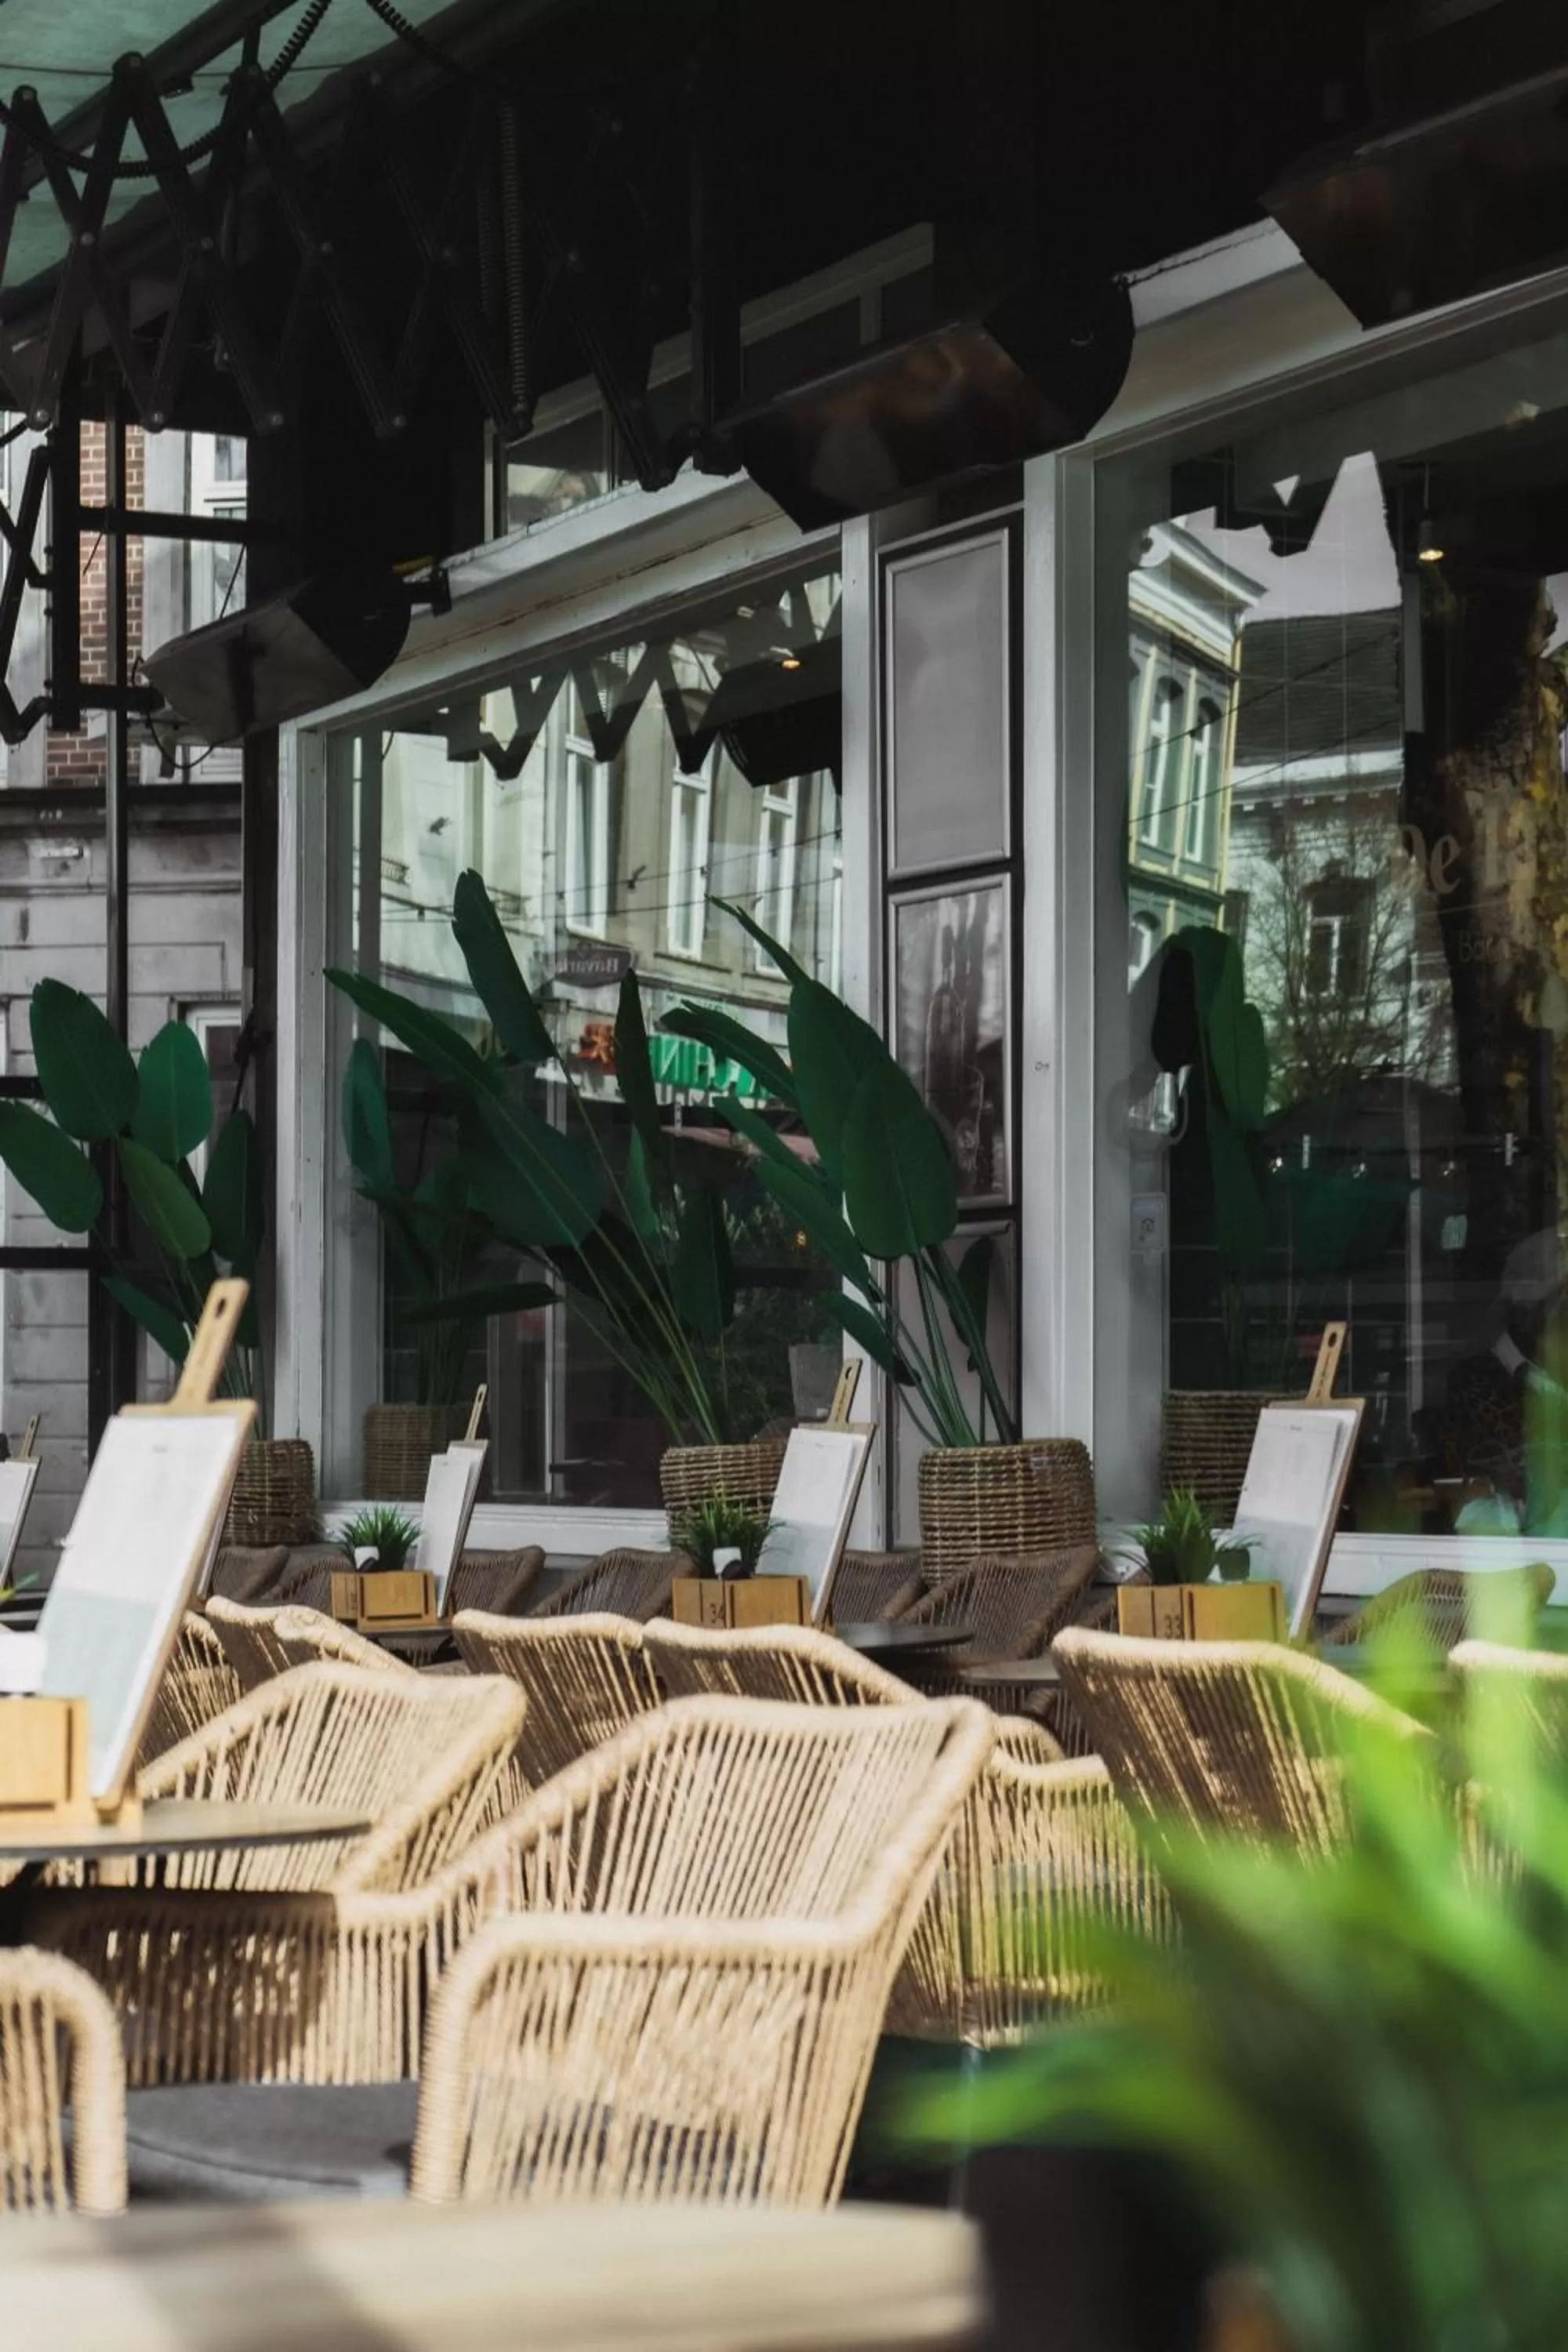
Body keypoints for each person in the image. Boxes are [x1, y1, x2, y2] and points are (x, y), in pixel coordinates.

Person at [1441, 1229, 1568, 1512]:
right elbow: (1526, 1477)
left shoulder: (1555, 1375)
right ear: (1527, 1309)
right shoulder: (1476, 1383)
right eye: (1560, 1302)